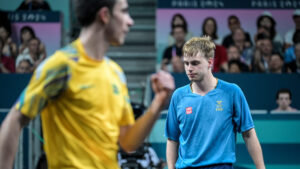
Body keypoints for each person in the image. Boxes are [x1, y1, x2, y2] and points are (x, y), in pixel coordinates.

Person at [0, 0, 175, 169]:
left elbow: (128, 143)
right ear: (105, 15)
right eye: (123, 11)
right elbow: (14, 119)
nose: (130, 21)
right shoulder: (62, 65)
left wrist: (157, 104)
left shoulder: (115, 72)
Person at [165, 36, 265, 169]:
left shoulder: (232, 92)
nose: (189, 68)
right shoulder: (178, 96)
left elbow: (249, 134)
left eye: (195, 63)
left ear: (210, 62)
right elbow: (172, 139)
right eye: (186, 63)